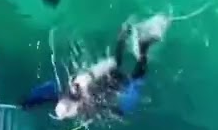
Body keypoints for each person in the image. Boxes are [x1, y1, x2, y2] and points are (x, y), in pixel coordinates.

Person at [22, 15, 168, 120]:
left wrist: (119, 113)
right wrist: (29, 103)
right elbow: (49, 97)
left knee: (136, 81)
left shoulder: (84, 103)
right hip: (105, 78)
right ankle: (123, 38)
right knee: (117, 63)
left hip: (113, 84)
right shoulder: (71, 90)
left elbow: (104, 108)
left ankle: (143, 47)